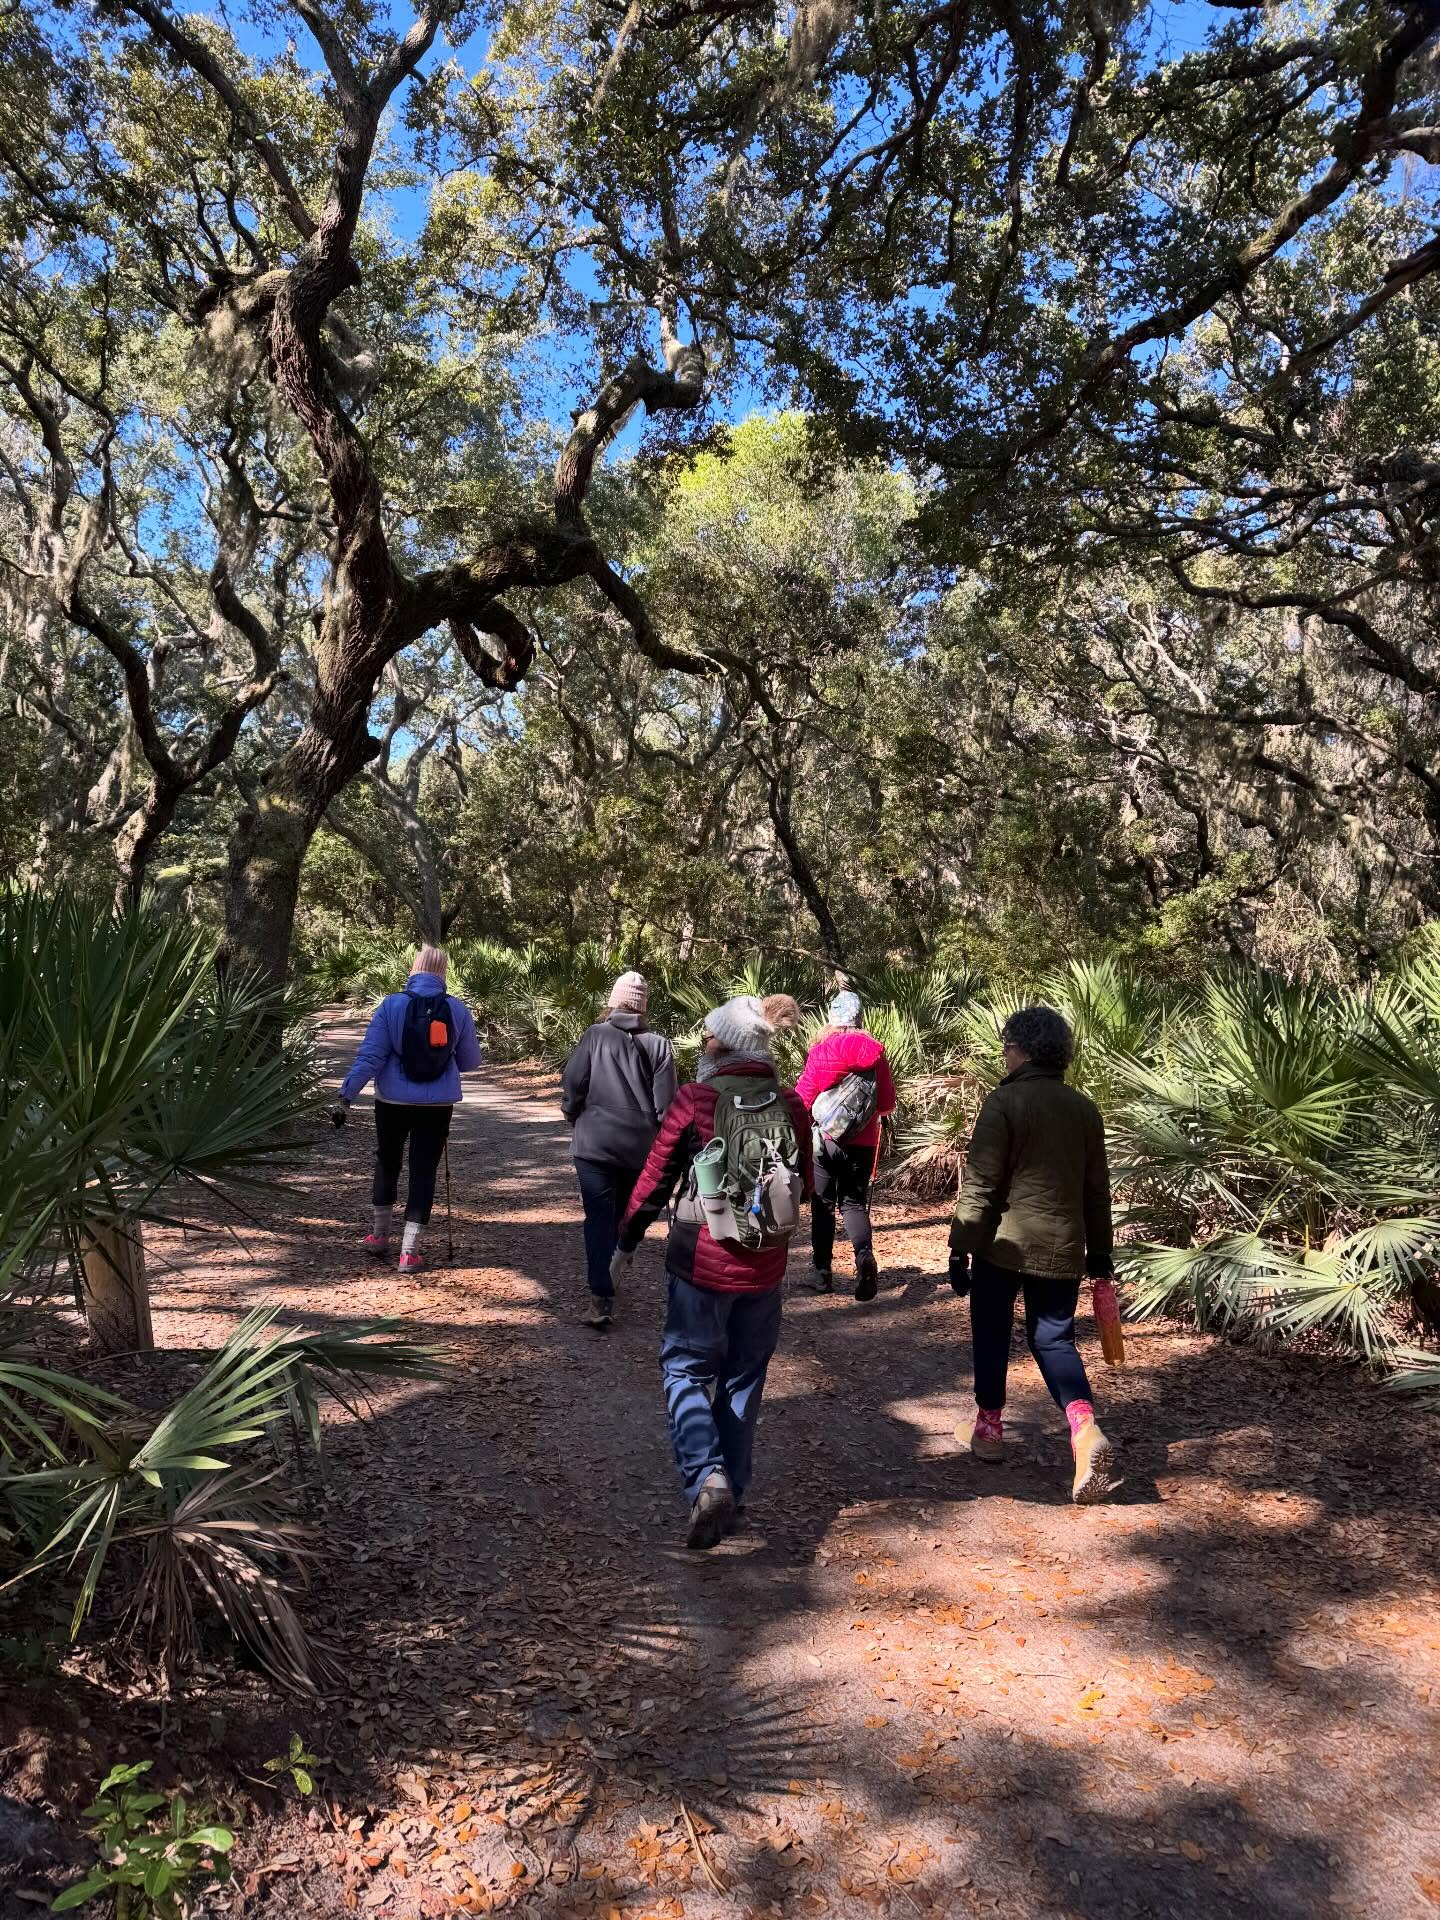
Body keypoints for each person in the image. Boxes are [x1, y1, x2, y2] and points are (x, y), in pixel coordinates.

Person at [614, 996, 813, 1549]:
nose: (702, 1046)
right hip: (765, 1267)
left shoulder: (697, 1098)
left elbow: (656, 1176)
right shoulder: (792, 1104)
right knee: (745, 1376)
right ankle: (735, 1491)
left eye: (707, 1038)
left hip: (699, 1265)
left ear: (721, 1046)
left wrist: (627, 1240)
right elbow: (807, 1189)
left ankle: (708, 1477)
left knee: (684, 1370)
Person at [946, 1004, 1121, 1503]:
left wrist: (961, 1247)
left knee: (992, 1329)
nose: (1004, 1055)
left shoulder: (1004, 1103)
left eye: (1007, 1046)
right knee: (1054, 1339)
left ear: (1020, 1050)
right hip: (1064, 1245)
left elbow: (981, 1183)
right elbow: (1096, 1191)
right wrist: (1101, 1255)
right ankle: (1084, 1430)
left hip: (1003, 1245)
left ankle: (989, 1430)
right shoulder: (1083, 1108)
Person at [333, 945, 482, 1273]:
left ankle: (379, 1236)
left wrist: (347, 1095)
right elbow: (471, 1062)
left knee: (388, 1162)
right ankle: (409, 1253)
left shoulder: (392, 1004)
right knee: (424, 1171)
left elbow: (371, 1056)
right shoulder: (457, 1009)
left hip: (392, 1102)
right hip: (438, 1105)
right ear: (443, 973)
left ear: (413, 969)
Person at [560, 971, 677, 1329]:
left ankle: (601, 1297)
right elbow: (665, 1106)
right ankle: (612, 1276)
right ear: (643, 1007)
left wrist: (573, 1113)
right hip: (638, 1147)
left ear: (613, 1001)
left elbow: (573, 1083)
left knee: (598, 1217)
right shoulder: (659, 1044)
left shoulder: (595, 1035)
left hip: (594, 1143)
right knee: (623, 1216)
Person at [794, 990, 897, 1300]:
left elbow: (802, 1097)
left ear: (832, 1019)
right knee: (852, 1202)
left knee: (822, 1203)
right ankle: (864, 1256)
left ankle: (822, 1273)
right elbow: (887, 1102)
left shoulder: (821, 1050)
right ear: (859, 1019)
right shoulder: (876, 1052)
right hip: (863, 1142)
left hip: (824, 1141)